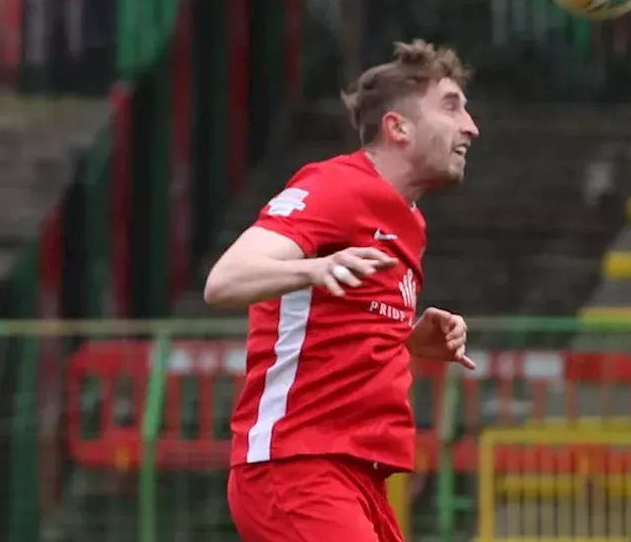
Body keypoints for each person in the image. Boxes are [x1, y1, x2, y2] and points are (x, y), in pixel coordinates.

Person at [204, 40, 481, 542]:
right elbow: (226, 279)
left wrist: (409, 339)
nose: (471, 126)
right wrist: (314, 269)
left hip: (355, 475)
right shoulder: (336, 187)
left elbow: (334, 325)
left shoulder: (408, 222)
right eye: (451, 107)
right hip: (296, 466)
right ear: (397, 127)